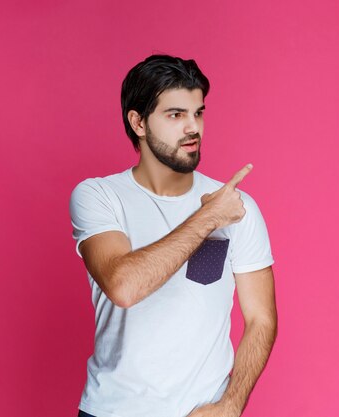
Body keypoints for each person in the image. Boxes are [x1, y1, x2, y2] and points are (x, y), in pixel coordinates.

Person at [69, 54, 277, 417]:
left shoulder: (237, 207)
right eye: (175, 115)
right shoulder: (99, 197)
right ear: (138, 123)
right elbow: (124, 286)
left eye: (198, 113)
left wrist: (231, 404)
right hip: (111, 411)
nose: (192, 127)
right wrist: (209, 217)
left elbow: (261, 318)